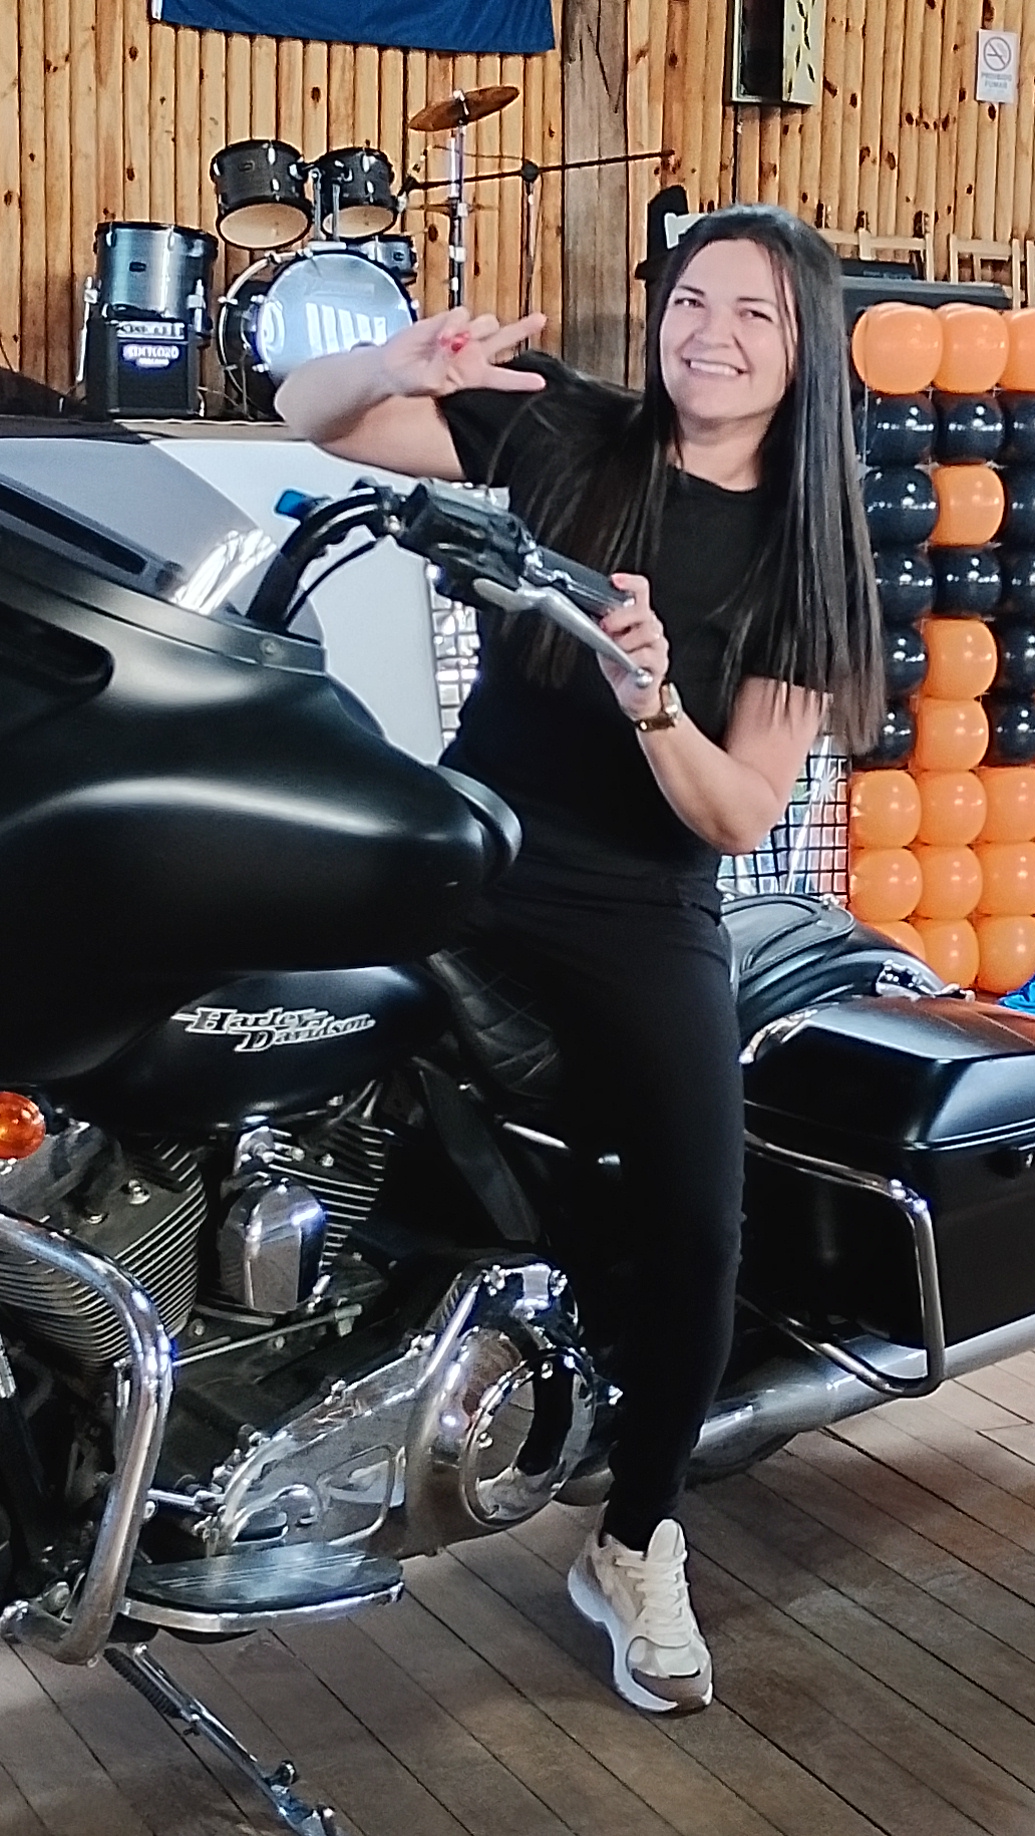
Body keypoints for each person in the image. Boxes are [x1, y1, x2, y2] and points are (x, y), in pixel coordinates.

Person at [273, 207, 875, 1717]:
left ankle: (637, 1533)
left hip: (635, 898)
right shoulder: (570, 434)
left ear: (805, 350)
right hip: (467, 840)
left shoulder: (804, 552)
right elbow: (309, 415)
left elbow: (738, 814)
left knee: (697, 1221)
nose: (710, 335)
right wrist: (389, 363)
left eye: (753, 314)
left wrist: (649, 696)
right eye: (691, 301)